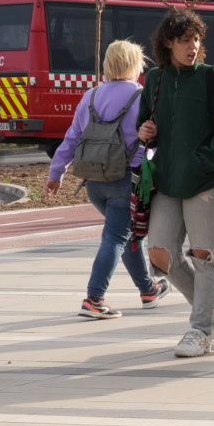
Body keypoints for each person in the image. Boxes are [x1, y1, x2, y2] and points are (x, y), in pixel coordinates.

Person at [136, 9, 214, 359]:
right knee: (161, 254)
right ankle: (210, 308)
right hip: (167, 181)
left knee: (205, 257)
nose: (193, 46)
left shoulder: (212, 78)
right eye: (185, 40)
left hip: (205, 183)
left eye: (197, 40)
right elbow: (145, 125)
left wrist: (204, 160)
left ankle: (200, 330)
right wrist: (145, 133)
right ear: (169, 42)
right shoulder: (155, 79)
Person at [45, 39, 168, 319]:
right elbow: (156, 139)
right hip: (125, 180)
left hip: (94, 181)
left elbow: (72, 137)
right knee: (116, 237)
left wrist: (56, 173)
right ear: (136, 64)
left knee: (128, 235)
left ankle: (148, 289)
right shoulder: (141, 95)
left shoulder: (91, 96)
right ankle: (94, 299)